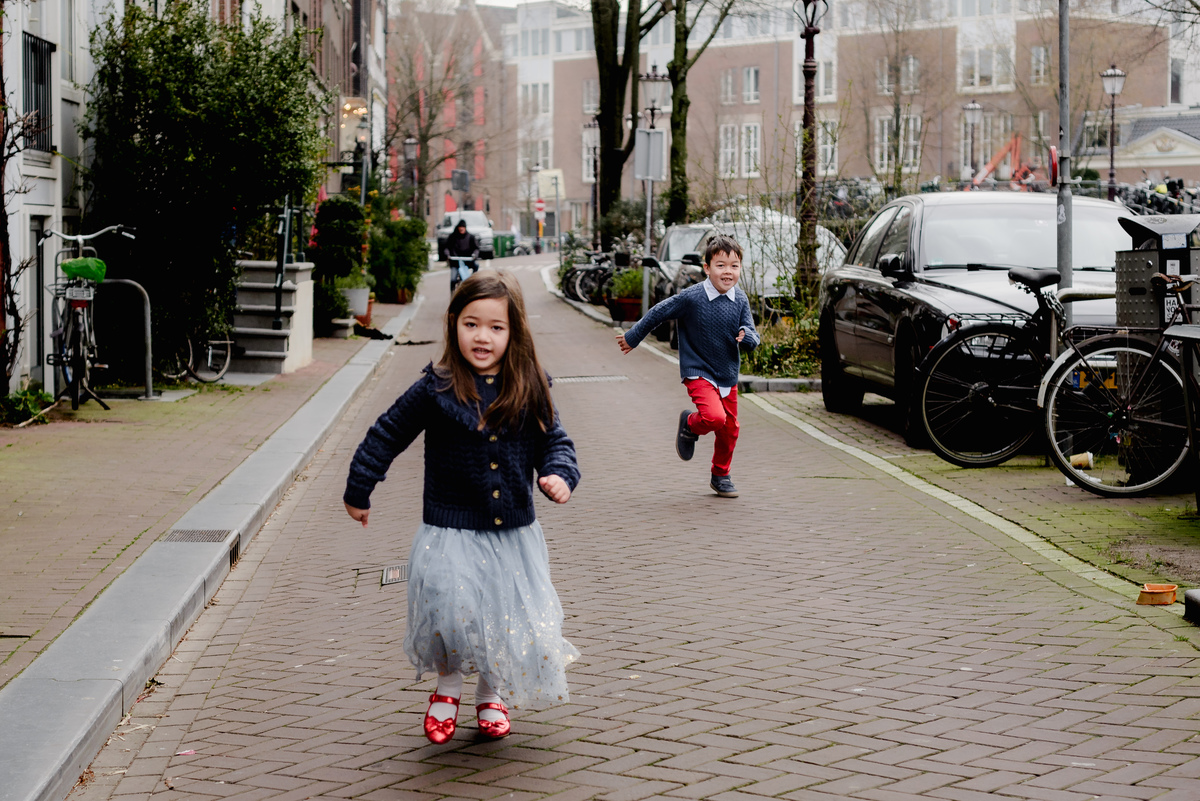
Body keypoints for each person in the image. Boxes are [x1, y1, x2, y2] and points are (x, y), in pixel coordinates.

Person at [343, 271, 581, 744]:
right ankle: (448, 686)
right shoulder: (437, 387)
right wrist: (359, 488)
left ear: (514, 333)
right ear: (454, 324)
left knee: (504, 615)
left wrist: (559, 474)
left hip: (512, 533)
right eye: (472, 324)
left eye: (496, 327)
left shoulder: (530, 385)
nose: (483, 336)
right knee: (452, 612)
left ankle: (491, 694)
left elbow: (556, 441)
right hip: (450, 529)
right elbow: (388, 432)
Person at [615, 234, 759, 498]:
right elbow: (659, 311)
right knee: (715, 418)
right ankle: (691, 425)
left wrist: (747, 337)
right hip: (698, 370)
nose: (728, 272)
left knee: (730, 428)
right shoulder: (692, 297)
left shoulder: (740, 300)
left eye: (734, 265)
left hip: (727, 373)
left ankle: (721, 475)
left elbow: (752, 333)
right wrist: (633, 337)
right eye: (721, 265)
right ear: (707, 268)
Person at [445, 218, 478, 292]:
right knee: (453, 279)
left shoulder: (470, 237)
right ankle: (452, 292)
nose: (461, 229)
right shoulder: (453, 237)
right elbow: (447, 247)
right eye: (460, 228)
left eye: (463, 228)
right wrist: (448, 255)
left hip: (468, 261)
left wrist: (474, 255)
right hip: (455, 262)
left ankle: (474, 280)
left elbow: (476, 248)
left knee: (476, 265)